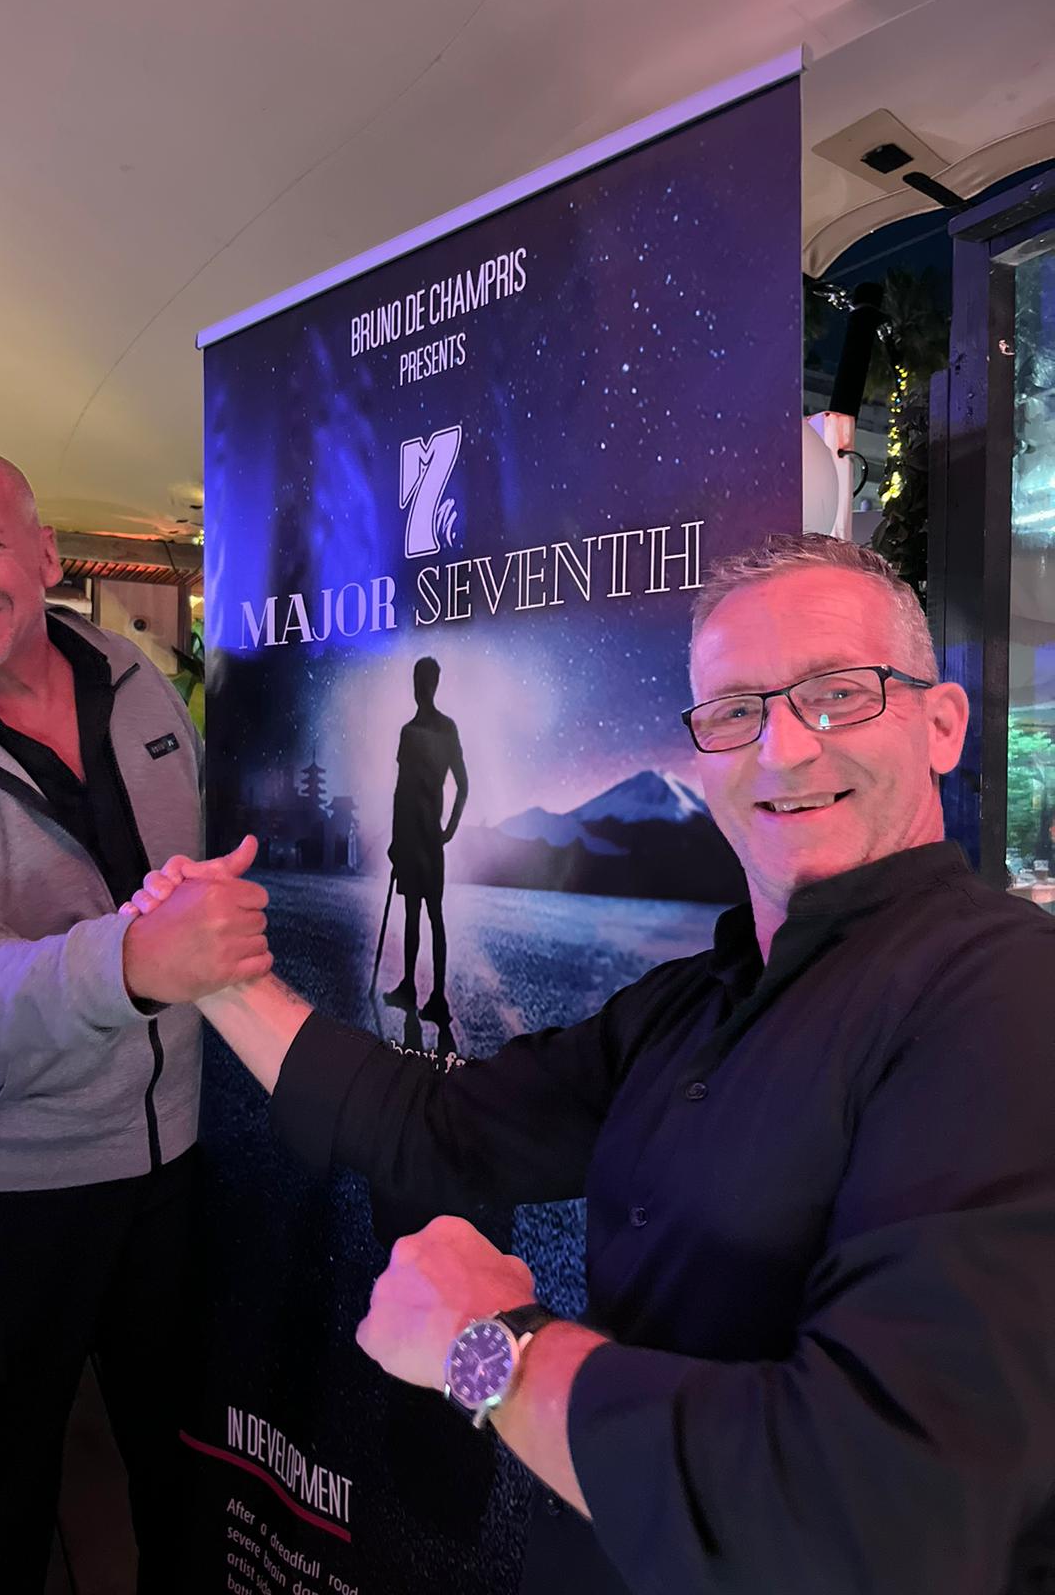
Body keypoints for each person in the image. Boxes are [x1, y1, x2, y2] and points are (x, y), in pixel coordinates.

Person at [128, 535, 1055, 1595]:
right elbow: (441, 1127)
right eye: (736, 710)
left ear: (942, 724)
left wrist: (491, 1350)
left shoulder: (1006, 999)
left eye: (840, 694)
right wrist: (220, 978)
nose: (785, 748)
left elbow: (876, 1518)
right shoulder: (693, 1002)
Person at [0, 442, 272, 1594]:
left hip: (175, 1168)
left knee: (194, 1490)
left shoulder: (133, 675)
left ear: (46, 555)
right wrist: (133, 959)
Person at [382, 655, 468, 1026]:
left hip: (422, 837)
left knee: (427, 914)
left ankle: (434, 995)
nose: (420, 688)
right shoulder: (434, 729)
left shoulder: (424, 730)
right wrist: (441, 831)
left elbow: (458, 786)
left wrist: (449, 829)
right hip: (422, 837)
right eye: (417, 681)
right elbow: (405, 791)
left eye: (424, 681)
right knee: (421, 914)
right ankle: (414, 989)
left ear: (432, 684)